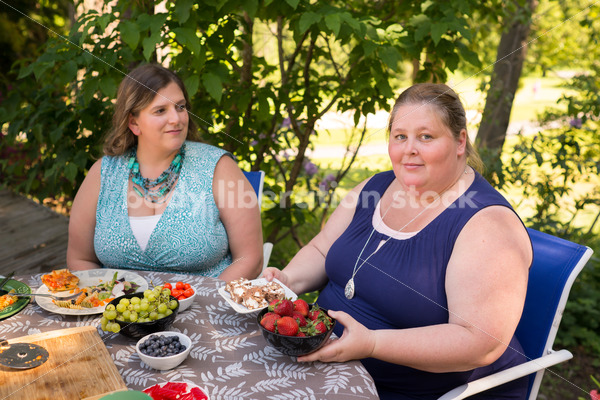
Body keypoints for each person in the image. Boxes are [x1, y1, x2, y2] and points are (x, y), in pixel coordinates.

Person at [263, 83, 533, 399]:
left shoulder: (488, 225)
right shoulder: (374, 187)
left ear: (460, 142)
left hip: (417, 392)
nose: (409, 150)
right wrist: (286, 280)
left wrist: (373, 344)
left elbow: (478, 343)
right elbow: (322, 249)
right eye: (400, 136)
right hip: (324, 365)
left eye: (426, 137)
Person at [67, 63, 263, 281]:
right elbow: (80, 259)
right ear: (134, 122)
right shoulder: (103, 174)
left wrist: (203, 302)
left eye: (180, 107)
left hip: (205, 307)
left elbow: (249, 259)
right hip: (115, 309)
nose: (176, 119)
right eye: (161, 110)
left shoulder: (219, 167)